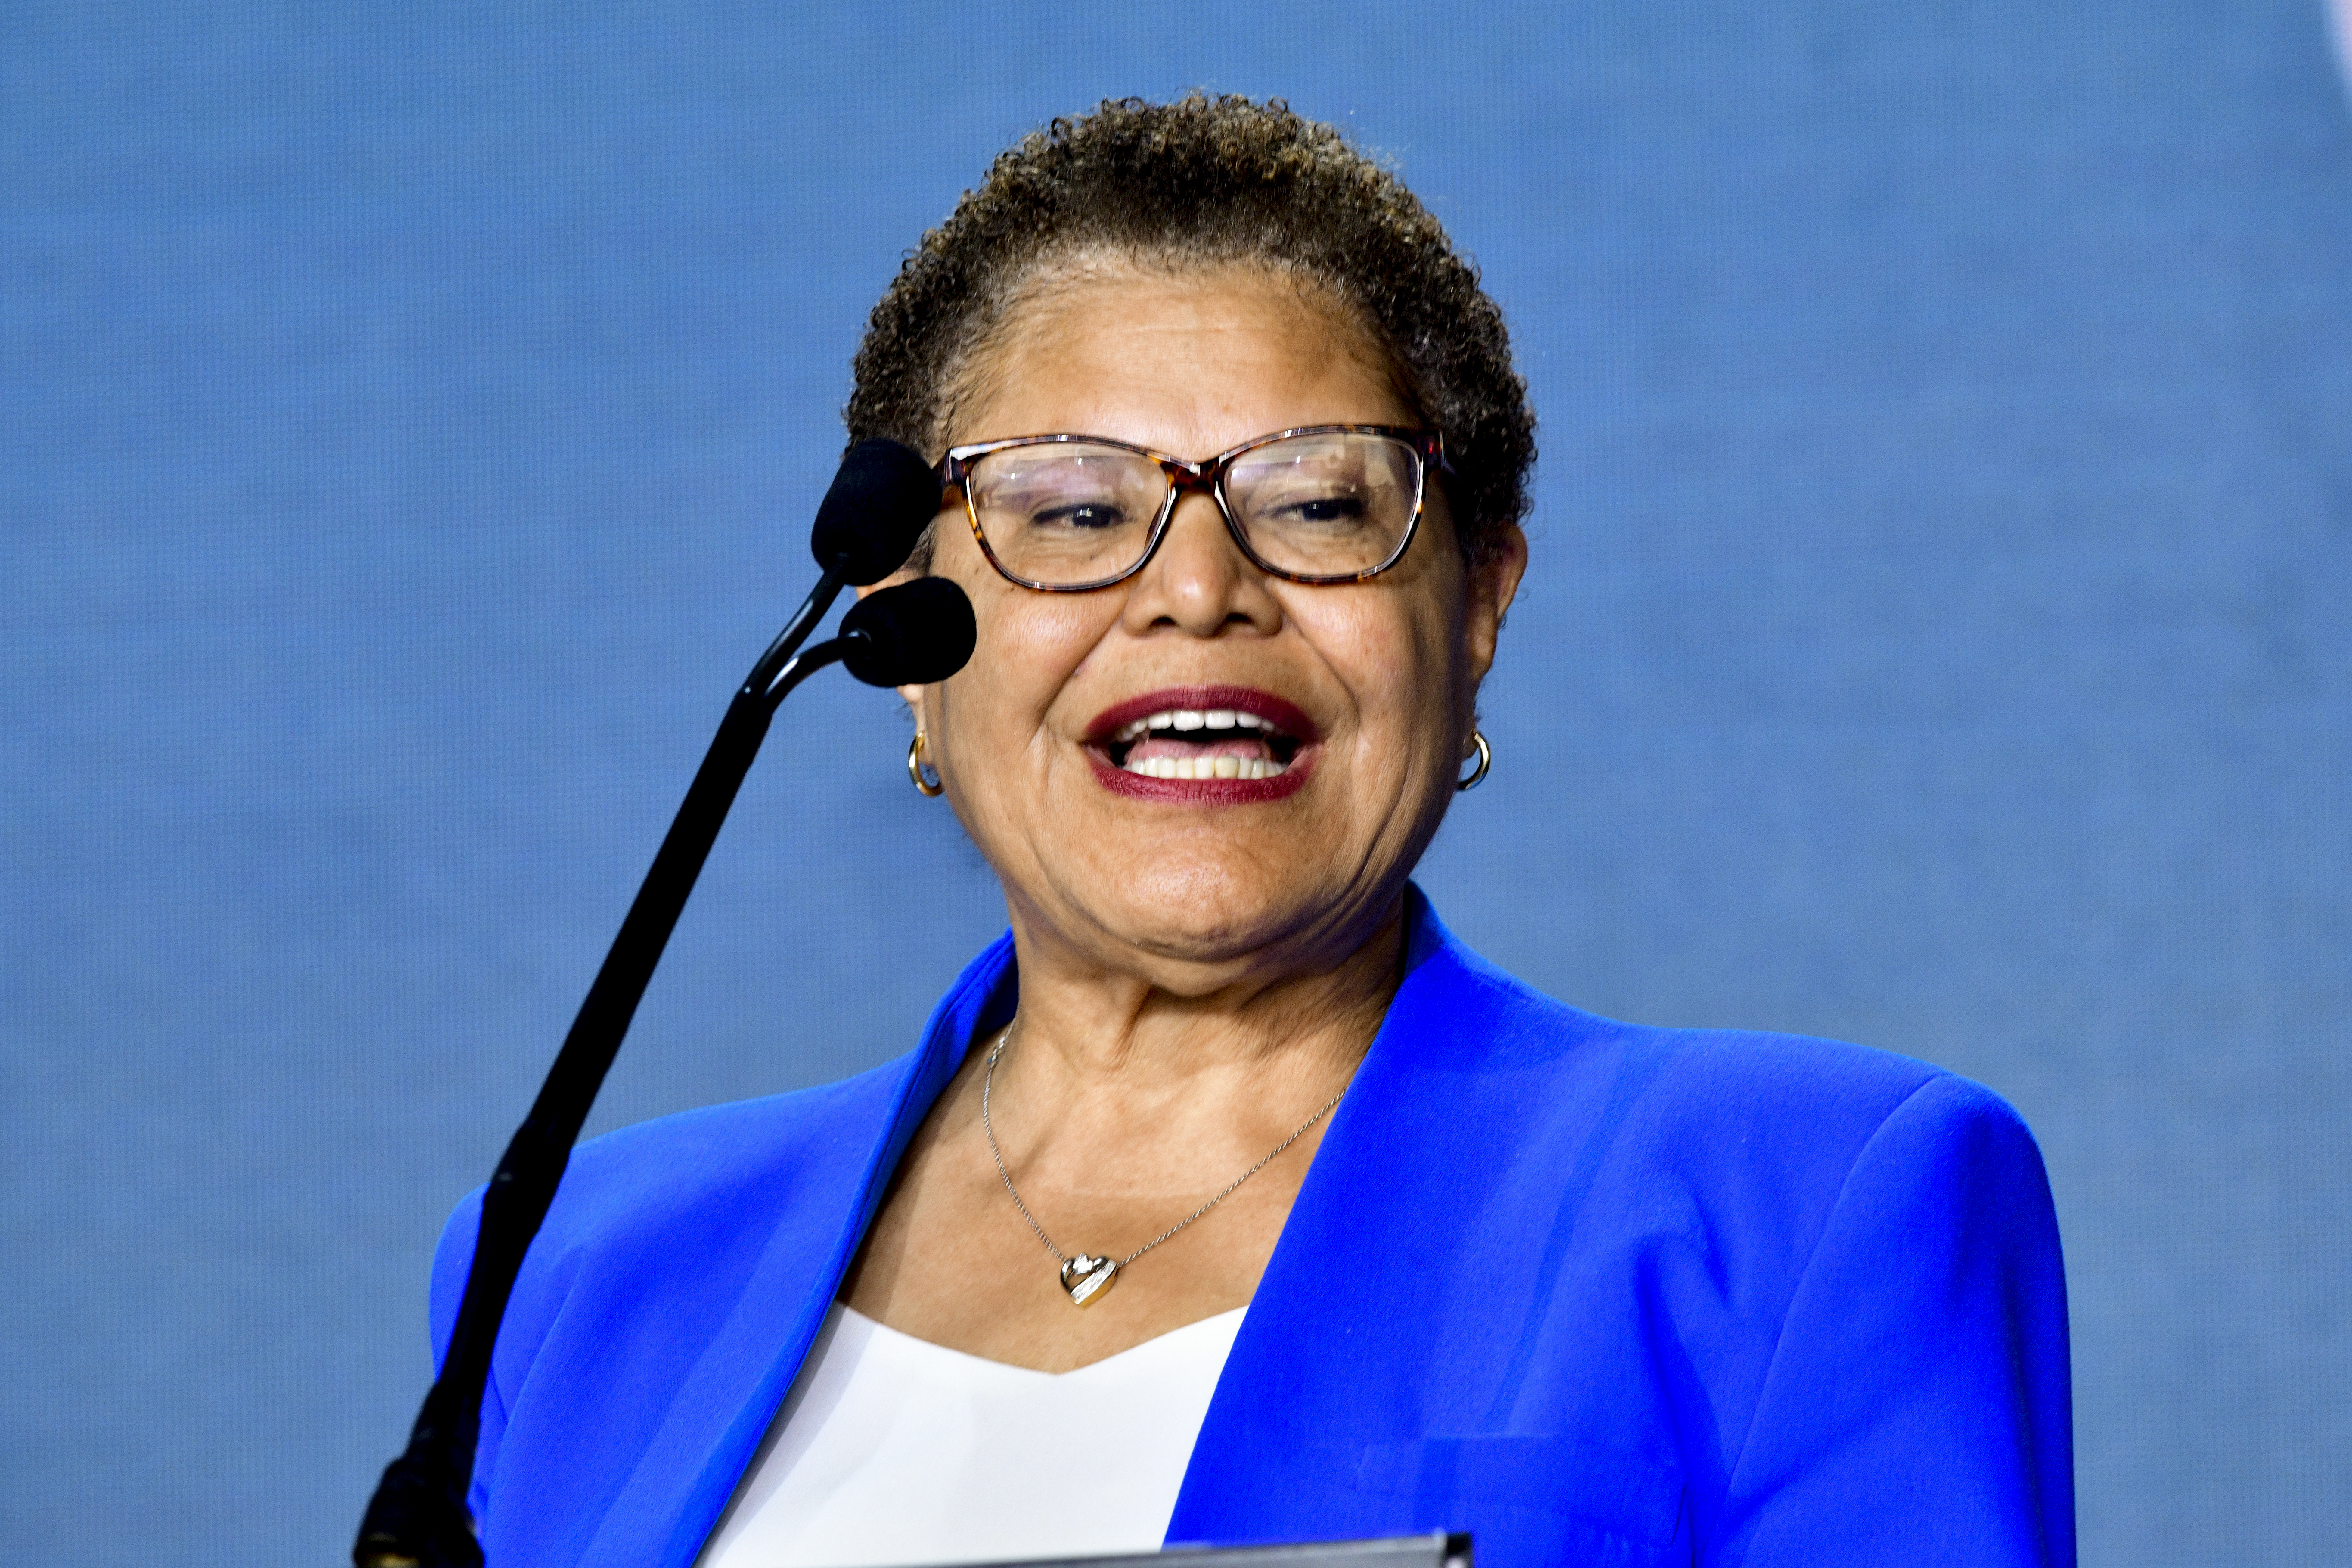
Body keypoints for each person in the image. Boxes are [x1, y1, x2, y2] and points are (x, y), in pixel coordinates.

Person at [430, 96, 2074, 1568]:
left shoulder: (1807, 1206)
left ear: (1482, 597)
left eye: (1317, 505)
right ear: (901, 629)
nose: (1197, 590)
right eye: (1073, 509)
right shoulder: (576, 1274)